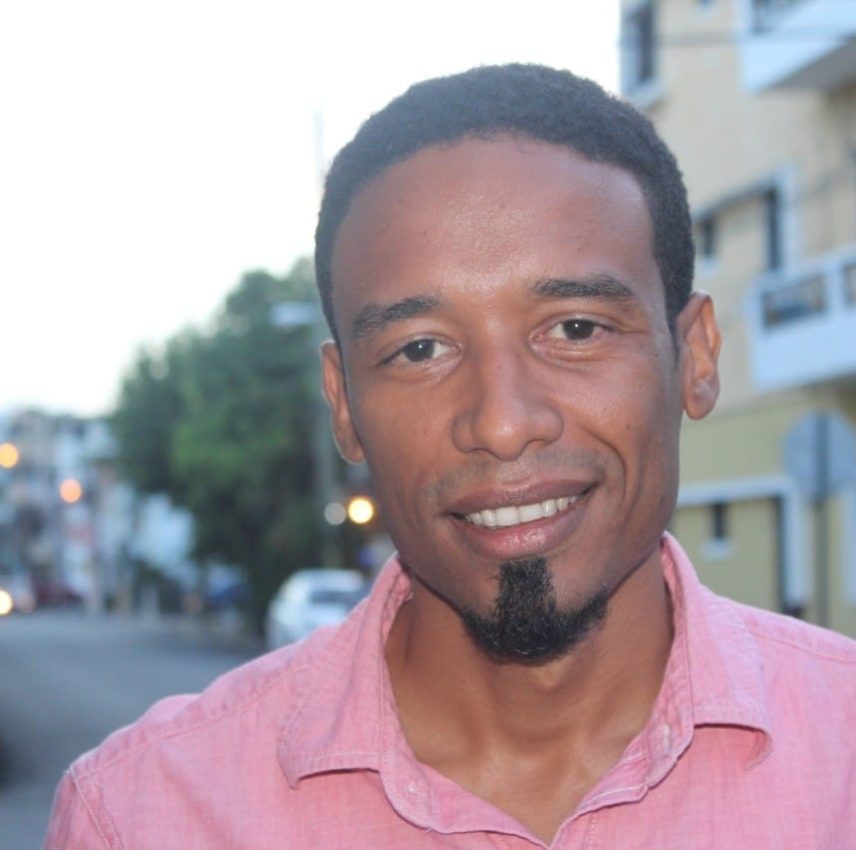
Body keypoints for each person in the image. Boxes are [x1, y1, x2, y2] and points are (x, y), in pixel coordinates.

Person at [46, 64, 855, 850]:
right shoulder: (139, 817)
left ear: (696, 357)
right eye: (420, 349)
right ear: (343, 405)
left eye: (576, 329)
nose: (502, 424)